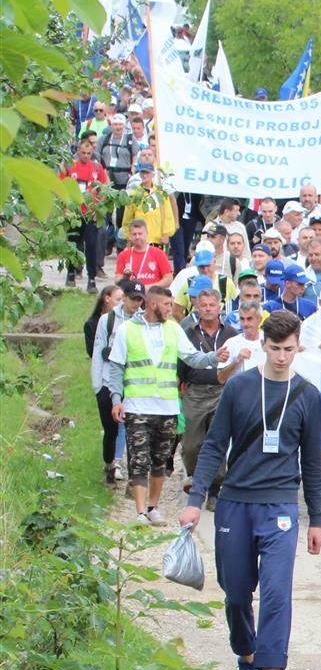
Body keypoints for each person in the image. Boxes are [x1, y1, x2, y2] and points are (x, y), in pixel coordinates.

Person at [178, 309, 321, 670]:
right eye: (275, 348)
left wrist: (316, 518)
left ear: (299, 347)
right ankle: (246, 659)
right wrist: (196, 499)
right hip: (235, 501)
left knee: (277, 594)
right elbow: (213, 446)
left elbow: (312, 460)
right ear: (262, 345)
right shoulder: (240, 387)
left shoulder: (308, 395)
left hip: (279, 504)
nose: (282, 357)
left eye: (289, 349)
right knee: (237, 592)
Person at [107, 284, 232, 523]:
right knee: (139, 458)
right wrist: (116, 399)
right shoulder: (127, 330)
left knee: (160, 459)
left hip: (167, 407)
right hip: (137, 405)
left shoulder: (174, 329)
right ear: (153, 304)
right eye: (166, 304)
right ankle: (141, 510)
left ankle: (153, 506)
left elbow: (191, 357)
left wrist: (214, 357)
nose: (171, 308)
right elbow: (115, 367)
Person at [178, 286, 241, 510]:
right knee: (192, 443)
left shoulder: (231, 333)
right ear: (196, 306)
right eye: (203, 305)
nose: (207, 309)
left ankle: (215, 488)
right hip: (195, 391)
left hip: (222, 392)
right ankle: (196, 476)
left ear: (219, 307)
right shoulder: (187, 332)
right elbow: (182, 364)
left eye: (212, 305)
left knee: (218, 442)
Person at [86, 282, 126, 483]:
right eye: (119, 299)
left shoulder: (136, 322)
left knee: (126, 426)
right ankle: (110, 463)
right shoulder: (101, 322)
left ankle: (121, 462)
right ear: (107, 299)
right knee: (110, 428)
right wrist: (98, 386)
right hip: (106, 381)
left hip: (128, 384)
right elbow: (95, 353)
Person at [62, 131, 109, 288]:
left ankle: (91, 278)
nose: (86, 156)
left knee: (91, 245)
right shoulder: (69, 166)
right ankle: (71, 273)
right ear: (77, 151)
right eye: (83, 153)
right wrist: (65, 207)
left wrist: (98, 207)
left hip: (90, 213)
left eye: (89, 153)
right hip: (74, 212)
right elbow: (60, 187)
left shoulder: (96, 167)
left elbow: (104, 187)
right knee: (73, 244)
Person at [115, 218, 173, 287]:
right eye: (134, 234)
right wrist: (125, 277)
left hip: (152, 294)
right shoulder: (123, 255)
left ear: (147, 234)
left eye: (140, 234)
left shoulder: (159, 253)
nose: (137, 237)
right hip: (131, 295)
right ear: (130, 236)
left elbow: (168, 279)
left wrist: (147, 288)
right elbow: (117, 280)